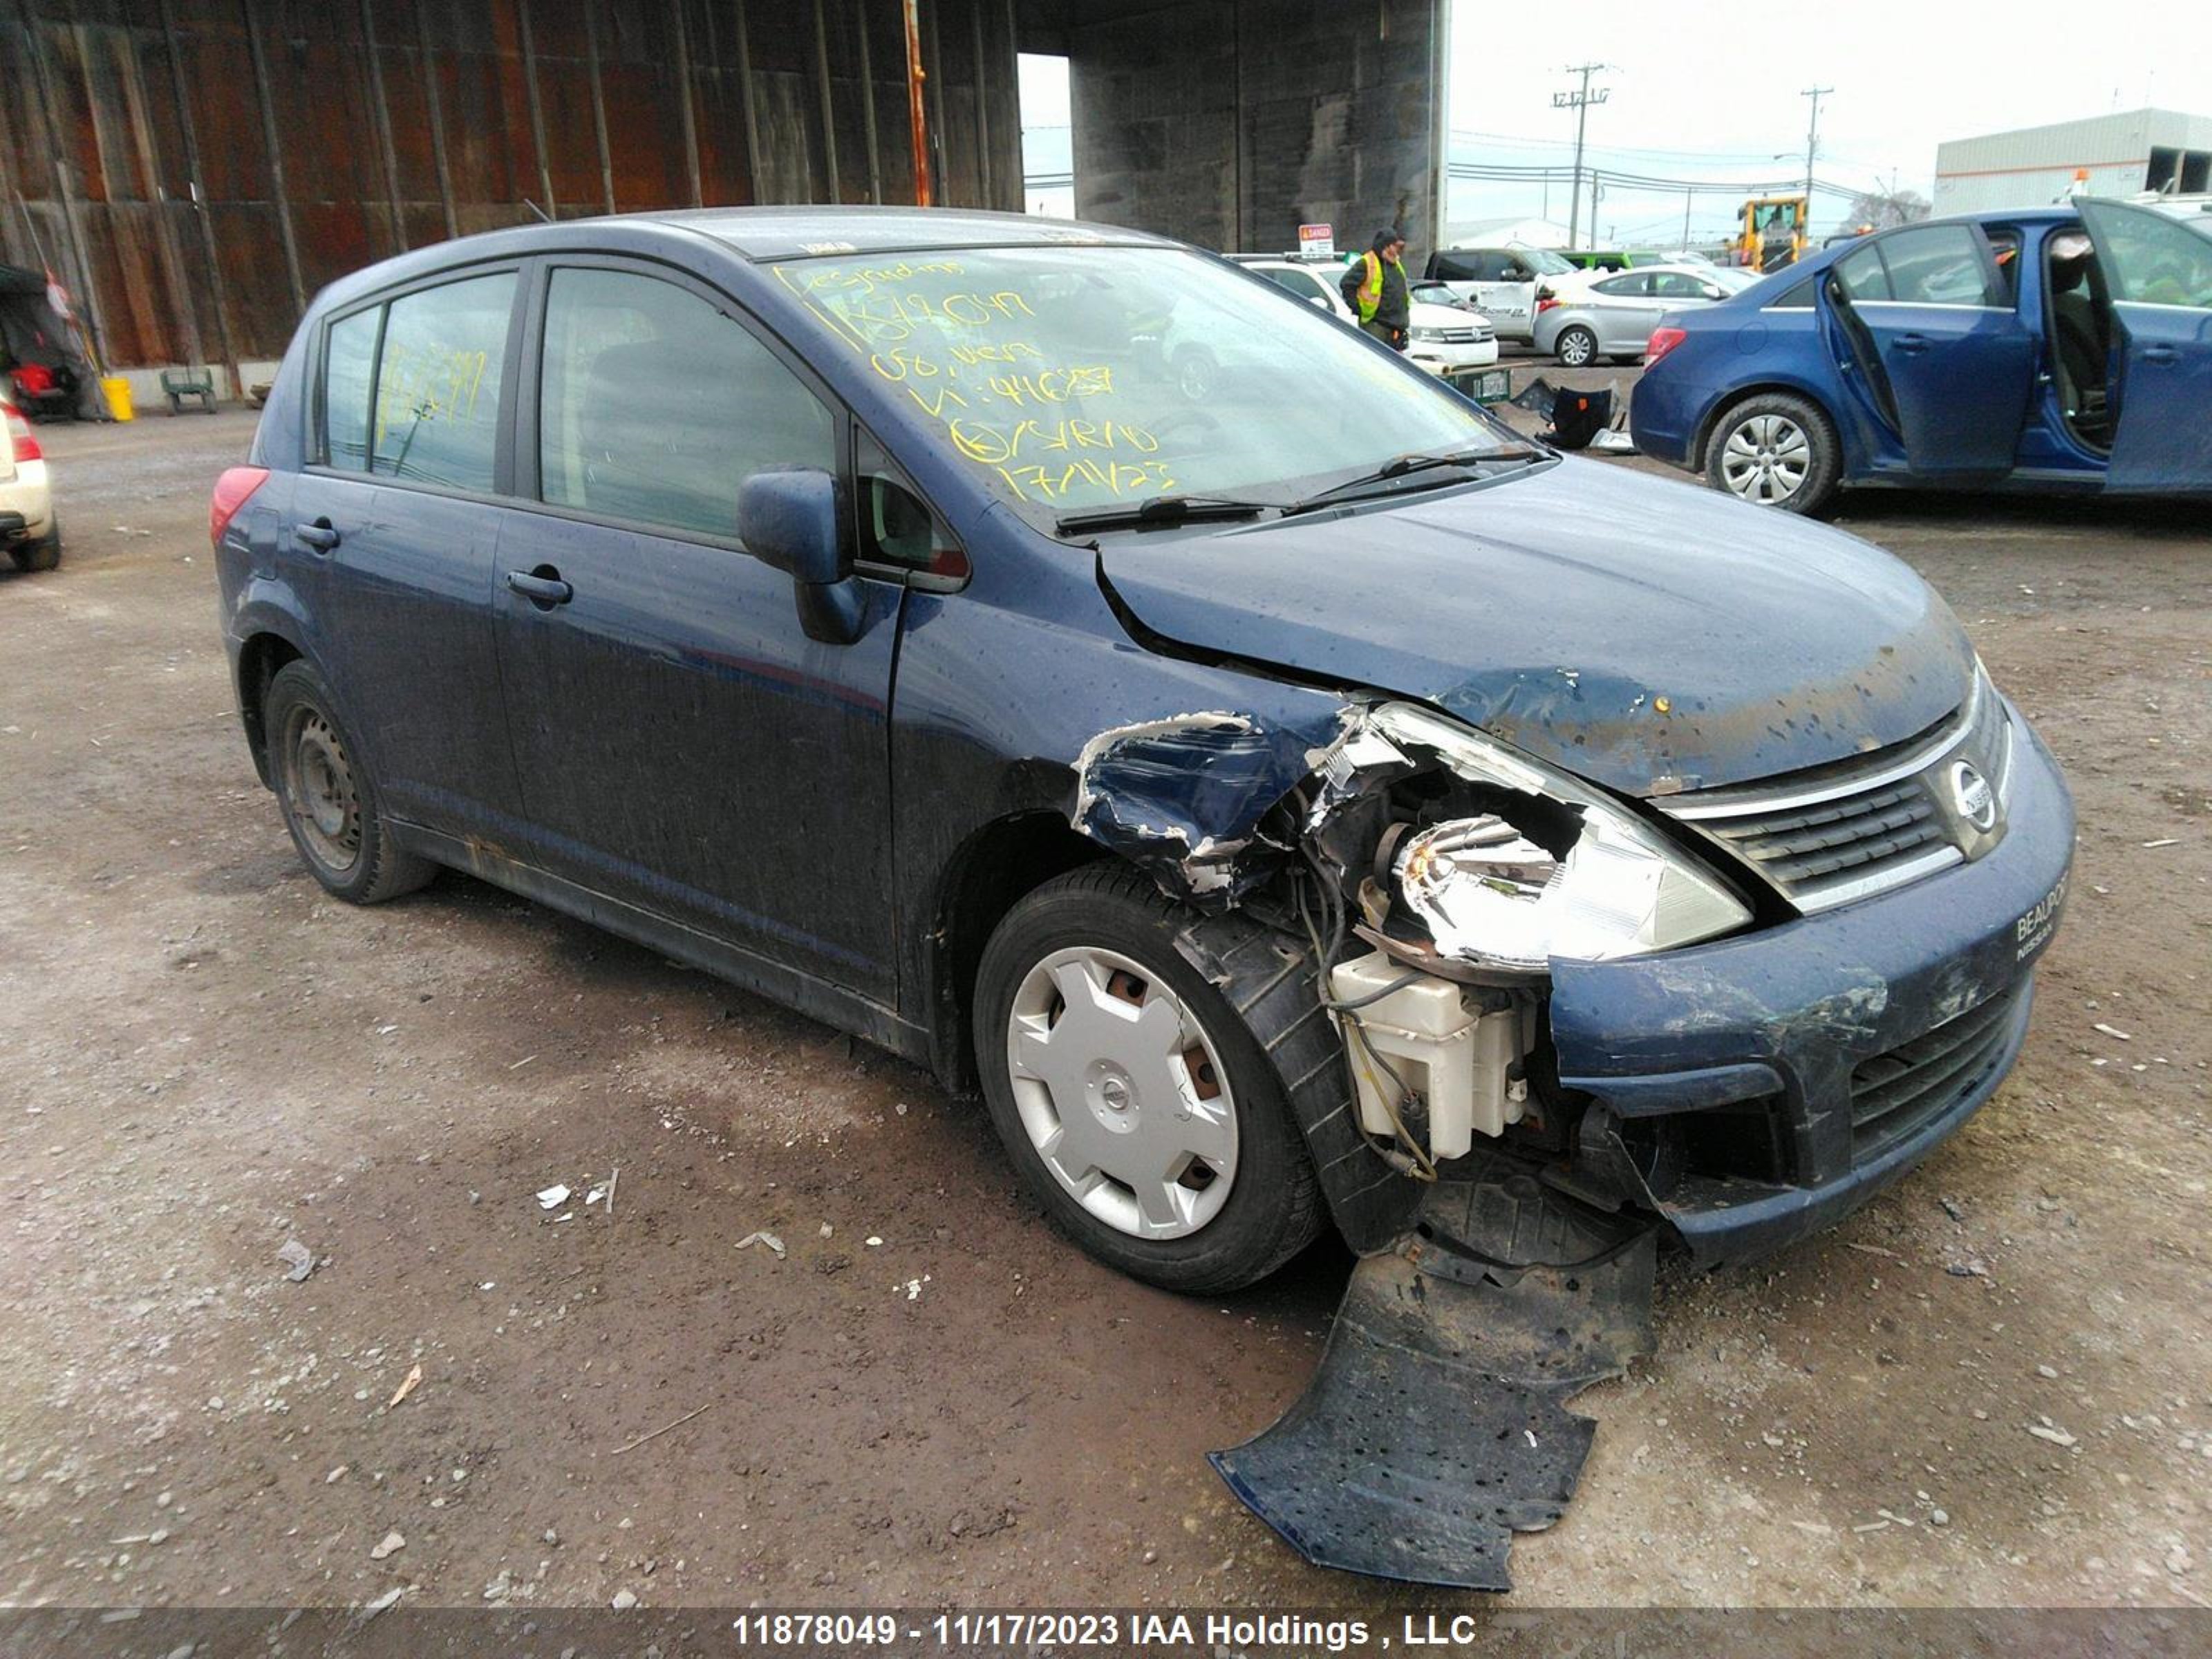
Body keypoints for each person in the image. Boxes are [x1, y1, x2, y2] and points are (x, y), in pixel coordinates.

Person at [1340, 227, 1411, 350]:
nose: (1398, 250)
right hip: (1376, 326)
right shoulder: (1367, 263)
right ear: (1386, 246)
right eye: (1396, 246)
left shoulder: (1396, 264)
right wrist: (1358, 308)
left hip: (1395, 328)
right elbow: (1346, 284)